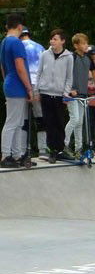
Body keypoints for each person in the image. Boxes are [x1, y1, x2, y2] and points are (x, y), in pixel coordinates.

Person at [32, 28, 74, 162]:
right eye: (51, 39)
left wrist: (66, 93)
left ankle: (61, 149)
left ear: (62, 41)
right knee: (49, 123)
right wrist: (37, 91)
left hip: (59, 94)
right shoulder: (45, 54)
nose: (52, 41)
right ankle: (52, 150)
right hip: (45, 93)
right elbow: (39, 73)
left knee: (59, 122)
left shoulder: (68, 57)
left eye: (55, 39)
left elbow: (69, 77)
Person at [1, 13, 36, 168]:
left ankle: (16, 154)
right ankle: (5, 155)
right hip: (17, 86)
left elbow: (3, 66)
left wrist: (6, 80)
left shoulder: (4, 42)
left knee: (18, 122)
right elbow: (20, 67)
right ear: (20, 27)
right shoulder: (16, 43)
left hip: (10, 82)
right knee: (13, 122)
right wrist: (29, 88)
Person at [63, 32, 93, 154]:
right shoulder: (71, 57)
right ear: (76, 45)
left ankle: (78, 147)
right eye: (83, 43)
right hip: (72, 94)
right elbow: (65, 74)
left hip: (82, 94)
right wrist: (69, 90)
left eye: (87, 43)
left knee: (80, 122)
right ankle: (64, 144)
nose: (86, 45)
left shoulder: (87, 59)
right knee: (74, 119)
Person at [19, 27, 47, 158]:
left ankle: (22, 150)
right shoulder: (40, 47)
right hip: (38, 83)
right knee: (40, 117)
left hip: (23, 83)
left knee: (23, 118)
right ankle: (42, 149)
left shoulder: (17, 46)